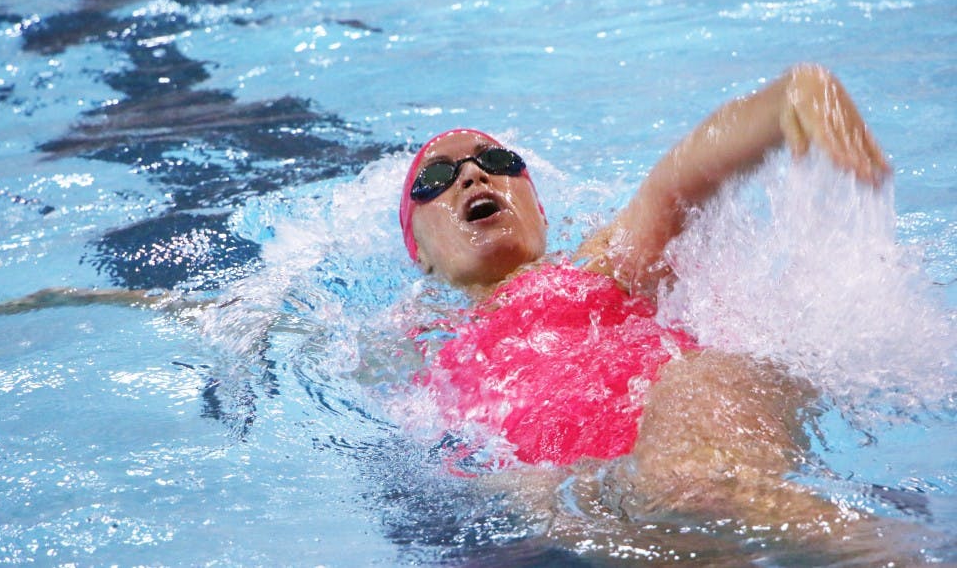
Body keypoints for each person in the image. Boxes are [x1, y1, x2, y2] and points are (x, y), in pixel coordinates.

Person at [397, 64, 935, 560]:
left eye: (496, 161)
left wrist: (785, 100)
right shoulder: (413, 357)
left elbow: (679, 181)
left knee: (686, 481)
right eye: (436, 179)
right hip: (609, 506)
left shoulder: (599, 265)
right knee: (547, 498)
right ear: (416, 250)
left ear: (538, 211)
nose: (471, 176)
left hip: (698, 413)